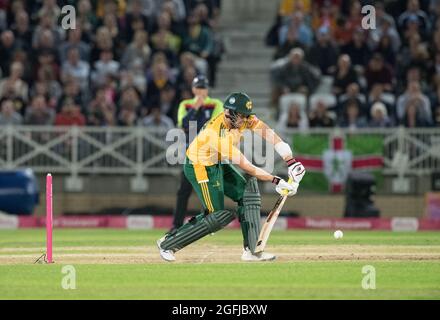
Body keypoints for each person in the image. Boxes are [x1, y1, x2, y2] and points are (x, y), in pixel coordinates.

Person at [157, 92, 306, 262]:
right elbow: (247, 166)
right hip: (200, 167)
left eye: (246, 115)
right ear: (231, 114)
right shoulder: (217, 135)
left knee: (248, 194)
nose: (246, 120)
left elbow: (269, 135)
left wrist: (291, 161)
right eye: (242, 116)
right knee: (216, 216)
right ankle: (168, 243)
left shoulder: (241, 118)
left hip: (218, 161)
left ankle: (251, 251)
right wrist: (276, 180)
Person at [170, 75, 223, 233]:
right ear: (193, 89)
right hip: (191, 154)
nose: (201, 91)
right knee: (184, 191)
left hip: (209, 153)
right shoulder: (185, 105)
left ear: (208, 89)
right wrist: (195, 108)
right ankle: (176, 226)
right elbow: (184, 124)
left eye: (203, 88)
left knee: (208, 188)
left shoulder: (216, 104)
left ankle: (209, 224)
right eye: (198, 88)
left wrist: (194, 119)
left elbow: (213, 126)